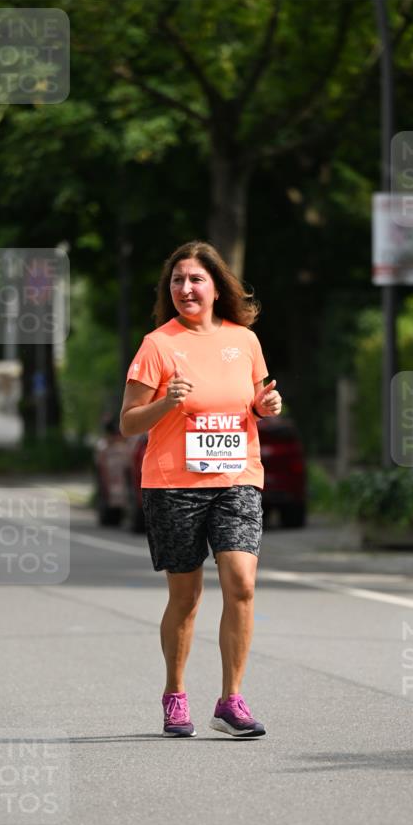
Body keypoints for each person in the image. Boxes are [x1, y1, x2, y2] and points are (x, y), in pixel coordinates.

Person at [119, 241, 282, 739]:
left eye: (195, 280)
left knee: (242, 583)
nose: (185, 289)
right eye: (177, 281)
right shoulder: (157, 345)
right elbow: (128, 424)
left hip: (237, 479)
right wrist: (166, 402)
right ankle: (175, 695)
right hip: (174, 483)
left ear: (216, 287)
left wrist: (266, 406)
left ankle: (231, 700)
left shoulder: (244, 341)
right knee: (186, 598)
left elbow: (255, 402)